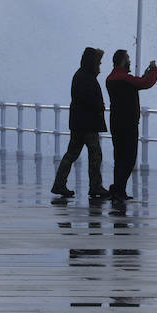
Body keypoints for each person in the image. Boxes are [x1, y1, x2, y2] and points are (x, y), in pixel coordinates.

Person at [51, 47, 110, 199]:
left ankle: (59, 184)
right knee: (95, 154)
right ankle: (95, 186)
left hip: (79, 123)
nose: (100, 66)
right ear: (93, 62)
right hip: (87, 124)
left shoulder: (81, 75)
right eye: (99, 62)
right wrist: (98, 107)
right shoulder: (86, 77)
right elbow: (89, 100)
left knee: (72, 153)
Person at [105, 49, 157, 202]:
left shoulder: (110, 78)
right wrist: (154, 70)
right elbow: (145, 83)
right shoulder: (124, 78)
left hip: (116, 122)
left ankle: (117, 188)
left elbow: (136, 83)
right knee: (129, 158)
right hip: (128, 124)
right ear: (122, 61)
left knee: (119, 157)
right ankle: (118, 190)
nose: (129, 60)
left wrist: (145, 73)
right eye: (127, 58)